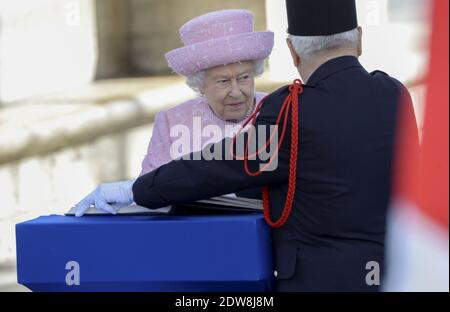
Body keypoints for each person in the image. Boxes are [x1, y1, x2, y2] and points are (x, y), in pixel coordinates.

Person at [75, 0, 419, 292]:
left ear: (293, 51)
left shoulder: (290, 110)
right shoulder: (394, 94)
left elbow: (216, 166)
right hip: (390, 276)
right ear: (359, 40)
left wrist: (133, 190)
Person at [74, 9, 274, 215]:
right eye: (223, 81)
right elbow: (149, 192)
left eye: (244, 78)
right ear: (200, 85)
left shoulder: (279, 111)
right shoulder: (172, 122)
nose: (236, 91)